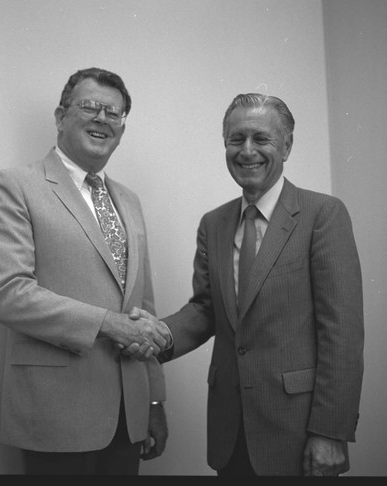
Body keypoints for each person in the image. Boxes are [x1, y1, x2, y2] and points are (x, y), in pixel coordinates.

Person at [127, 93, 364, 476]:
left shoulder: (323, 215)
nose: (247, 150)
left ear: (286, 146)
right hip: (229, 430)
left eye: (261, 139)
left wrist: (330, 432)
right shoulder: (213, 223)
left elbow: (343, 334)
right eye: (236, 139)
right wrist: (160, 335)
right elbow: (206, 308)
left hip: (300, 432)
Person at [0, 67, 171, 475]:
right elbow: (10, 295)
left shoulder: (130, 201)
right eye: (90, 106)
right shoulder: (15, 185)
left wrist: (153, 401)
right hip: (55, 414)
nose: (103, 118)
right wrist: (109, 324)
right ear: (60, 116)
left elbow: (144, 312)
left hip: (129, 417)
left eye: (114, 113)